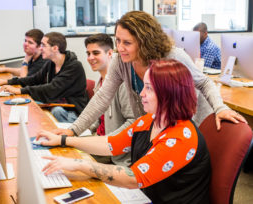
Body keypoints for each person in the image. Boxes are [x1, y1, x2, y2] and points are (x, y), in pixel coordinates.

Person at [37, 60, 211, 203]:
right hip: (144, 196)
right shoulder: (149, 120)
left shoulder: (181, 137)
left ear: (169, 94)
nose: (141, 93)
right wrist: (64, 140)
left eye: (149, 88)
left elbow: (133, 178)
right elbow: (110, 144)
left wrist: (79, 165)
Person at [50, 10, 245, 137]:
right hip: (155, 127)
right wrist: (74, 131)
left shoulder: (172, 56)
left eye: (127, 43)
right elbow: (102, 97)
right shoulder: (121, 61)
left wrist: (220, 108)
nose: (120, 48)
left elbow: (204, 83)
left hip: (186, 126)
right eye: (117, 40)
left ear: (145, 41)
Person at [0, 32, 88, 121]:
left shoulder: (74, 66)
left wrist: (19, 90)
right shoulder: (51, 63)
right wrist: (7, 82)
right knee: (25, 103)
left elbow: (51, 89)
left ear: (55, 48)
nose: (40, 48)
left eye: (43, 45)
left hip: (72, 112)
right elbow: (34, 79)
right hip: (56, 104)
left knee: (56, 111)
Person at [84, 33, 134, 166]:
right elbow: (98, 118)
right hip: (99, 139)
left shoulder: (122, 83)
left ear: (110, 53)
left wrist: (106, 140)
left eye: (95, 53)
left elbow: (133, 121)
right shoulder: (100, 82)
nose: (90, 58)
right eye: (88, 54)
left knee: (72, 156)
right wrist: (87, 131)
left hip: (113, 151)